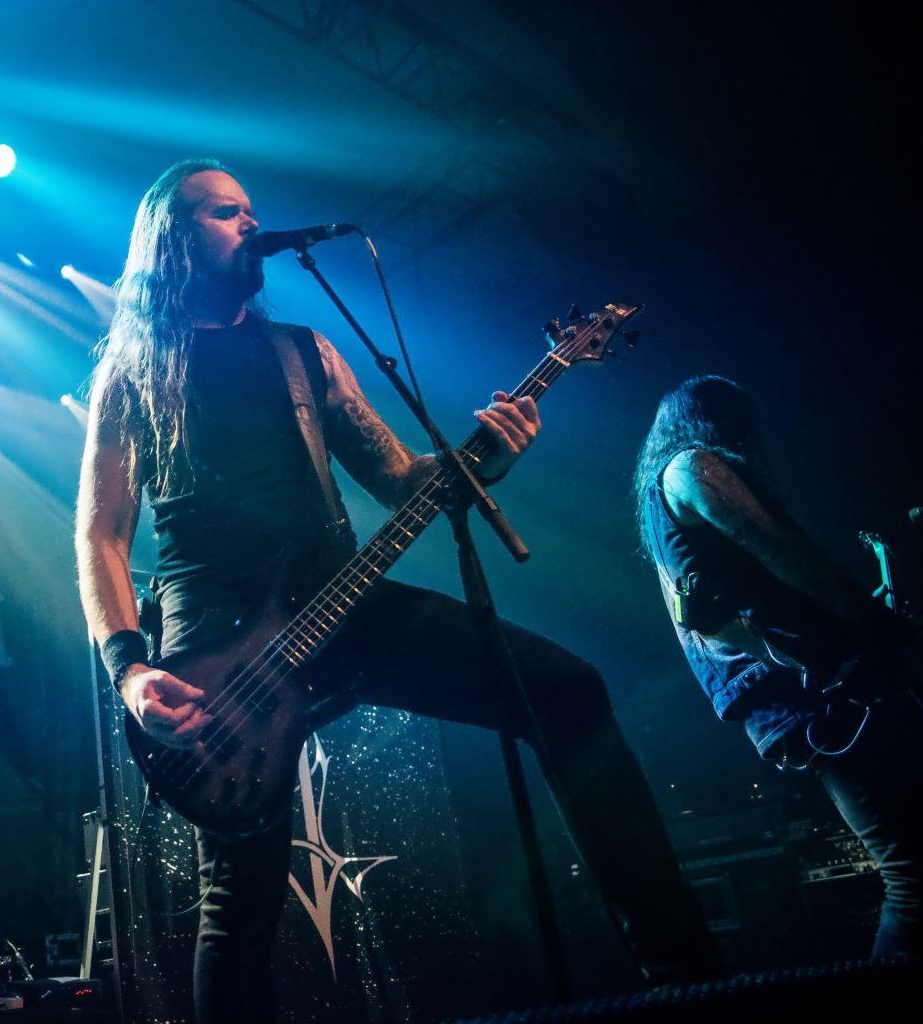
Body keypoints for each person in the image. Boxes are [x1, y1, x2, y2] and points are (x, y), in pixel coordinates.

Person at [75, 159, 719, 1021]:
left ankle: (685, 976)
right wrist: (129, 669)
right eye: (226, 212)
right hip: (217, 656)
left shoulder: (303, 351)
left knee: (568, 691)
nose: (251, 222)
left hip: (343, 602)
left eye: (251, 209)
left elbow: (401, 478)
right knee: (240, 895)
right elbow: (101, 535)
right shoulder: (132, 373)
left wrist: (490, 454)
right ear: (172, 239)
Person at [635, 374, 923, 962]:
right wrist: (873, 622)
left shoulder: (658, 501)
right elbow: (788, 556)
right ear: (715, 419)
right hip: (826, 696)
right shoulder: (691, 466)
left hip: (804, 700)